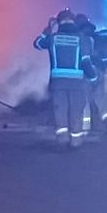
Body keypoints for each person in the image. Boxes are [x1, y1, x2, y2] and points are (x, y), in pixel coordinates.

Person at [35, 9, 95, 148]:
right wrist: (93, 77)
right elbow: (86, 62)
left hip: (57, 83)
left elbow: (37, 43)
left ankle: (62, 140)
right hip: (77, 83)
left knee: (60, 111)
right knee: (76, 111)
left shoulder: (53, 38)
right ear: (73, 21)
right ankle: (76, 141)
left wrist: (48, 29)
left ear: (59, 22)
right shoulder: (81, 38)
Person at [75, 13, 107, 133]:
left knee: (83, 99)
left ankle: (84, 127)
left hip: (86, 72)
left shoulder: (81, 38)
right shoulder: (97, 36)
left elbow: (83, 59)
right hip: (100, 71)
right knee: (100, 97)